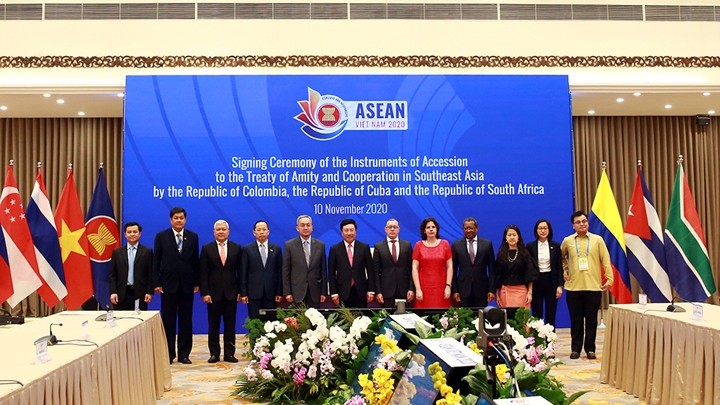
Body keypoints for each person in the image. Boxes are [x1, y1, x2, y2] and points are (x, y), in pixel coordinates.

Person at [561, 210, 613, 360]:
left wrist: (609, 279)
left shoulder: (597, 240)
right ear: (573, 226)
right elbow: (561, 258)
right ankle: (575, 349)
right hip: (573, 287)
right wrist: (565, 270)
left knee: (591, 320)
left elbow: (606, 260)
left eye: (584, 221)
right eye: (578, 222)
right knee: (575, 320)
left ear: (588, 223)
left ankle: (590, 348)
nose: (582, 224)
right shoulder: (568, 241)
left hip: (593, 286)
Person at [153, 207, 200, 365]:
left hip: (187, 286)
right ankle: (169, 354)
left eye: (181, 218)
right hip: (168, 285)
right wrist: (157, 283)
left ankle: (184, 354)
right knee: (168, 320)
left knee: (186, 321)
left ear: (185, 220)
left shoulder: (192, 237)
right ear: (170, 220)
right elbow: (156, 261)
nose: (179, 220)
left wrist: (196, 282)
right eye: (176, 218)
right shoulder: (161, 237)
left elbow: (195, 261)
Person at [199, 219, 241, 363]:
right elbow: (203, 273)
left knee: (230, 324)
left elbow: (240, 272)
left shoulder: (236, 248)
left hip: (231, 293)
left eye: (223, 229)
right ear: (214, 232)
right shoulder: (207, 248)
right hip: (213, 294)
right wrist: (205, 292)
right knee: (213, 325)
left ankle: (229, 353)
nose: (221, 232)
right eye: (218, 229)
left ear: (228, 231)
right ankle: (214, 353)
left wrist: (240, 291)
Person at [328, 218, 377, 308]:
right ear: (341, 232)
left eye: (351, 230)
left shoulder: (364, 247)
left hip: (361, 291)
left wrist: (371, 290)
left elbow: (370, 270)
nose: (349, 233)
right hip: (342, 292)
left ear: (356, 231)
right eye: (346, 230)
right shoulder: (334, 249)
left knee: (362, 319)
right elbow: (331, 273)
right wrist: (333, 293)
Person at [239, 220, 283, 319]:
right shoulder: (247, 249)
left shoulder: (276, 249)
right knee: (254, 321)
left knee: (271, 321)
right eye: (259, 230)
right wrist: (244, 293)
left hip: (271, 293)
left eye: (264, 229)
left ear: (268, 232)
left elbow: (279, 271)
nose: (261, 232)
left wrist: (279, 292)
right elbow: (243, 272)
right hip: (253, 293)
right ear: (254, 233)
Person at [282, 214, 327, 307]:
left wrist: (323, 292)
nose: (305, 228)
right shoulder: (289, 245)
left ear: (312, 227)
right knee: (298, 320)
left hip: (315, 291)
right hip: (296, 292)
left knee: (315, 320)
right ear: (297, 228)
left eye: (308, 225)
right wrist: (287, 292)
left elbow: (323, 271)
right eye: (302, 225)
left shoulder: (320, 245)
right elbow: (286, 271)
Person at [451, 217, 496, 307]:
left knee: (481, 317)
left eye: (471, 228)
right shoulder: (456, 245)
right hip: (463, 290)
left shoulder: (487, 244)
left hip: (482, 289)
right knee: (463, 317)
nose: (468, 230)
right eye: (466, 228)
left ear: (477, 229)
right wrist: (455, 290)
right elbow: (453, 270)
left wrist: (491, 290)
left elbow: (492, 270)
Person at [527, 219, 564, 327]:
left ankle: (550, 342)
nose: (542, 231)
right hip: (536, 282)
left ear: (549, 230)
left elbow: (559, 267)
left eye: (545, 228)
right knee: (537, 314)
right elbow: (528, 268)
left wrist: (560, 285)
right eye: (540, 228)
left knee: (551, 314)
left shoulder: (555, 246)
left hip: (551, 281)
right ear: (536, 230)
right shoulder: (530, 246)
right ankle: (537, 342)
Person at [109, 222, 153, 311]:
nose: (132, 234)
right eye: (129, 232)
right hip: (121, 294)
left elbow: (150, 274)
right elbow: (113, 275)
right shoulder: (117, 252)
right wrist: (113, 292)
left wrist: (149, 292)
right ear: (125, 234)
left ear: (140, 234)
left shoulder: (147, 252)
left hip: (140, 294)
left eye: (134, 232)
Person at [493, 225, 538, 309]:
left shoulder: (525, 254)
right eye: (509, 235)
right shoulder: (501, 255)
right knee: (507, 320)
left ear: (518, 237)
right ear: (505, 238)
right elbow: (497, 275)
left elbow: (530, 275)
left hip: (521, 291)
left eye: (514, 235)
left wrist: (530, 293)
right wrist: (497, 294)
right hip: (505, 291)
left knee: (521, 319)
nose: (512, 237)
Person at [412, 217, 453, 309]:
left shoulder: (445, 244)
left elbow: (450, 267)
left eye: (433, 227)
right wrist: (418, 289)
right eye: (428, 227)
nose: (431, 229)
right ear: (424, 231)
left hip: (441, 288)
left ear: (437, 229)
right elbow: (414, 268)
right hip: (423, 288)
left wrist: (448, 286)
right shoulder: (418, 245)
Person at [373, 219, 415, 309]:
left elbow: (412, 269)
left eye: (395, 227)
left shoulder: (407, 245)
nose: (392, 229)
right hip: (386, 291)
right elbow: (375, 272)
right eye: (389, 227)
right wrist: (378, 291)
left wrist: (411, 288)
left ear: (399, 229)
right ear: (385, 229)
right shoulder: (378, 246)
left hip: (404, 290)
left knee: (404, 317)